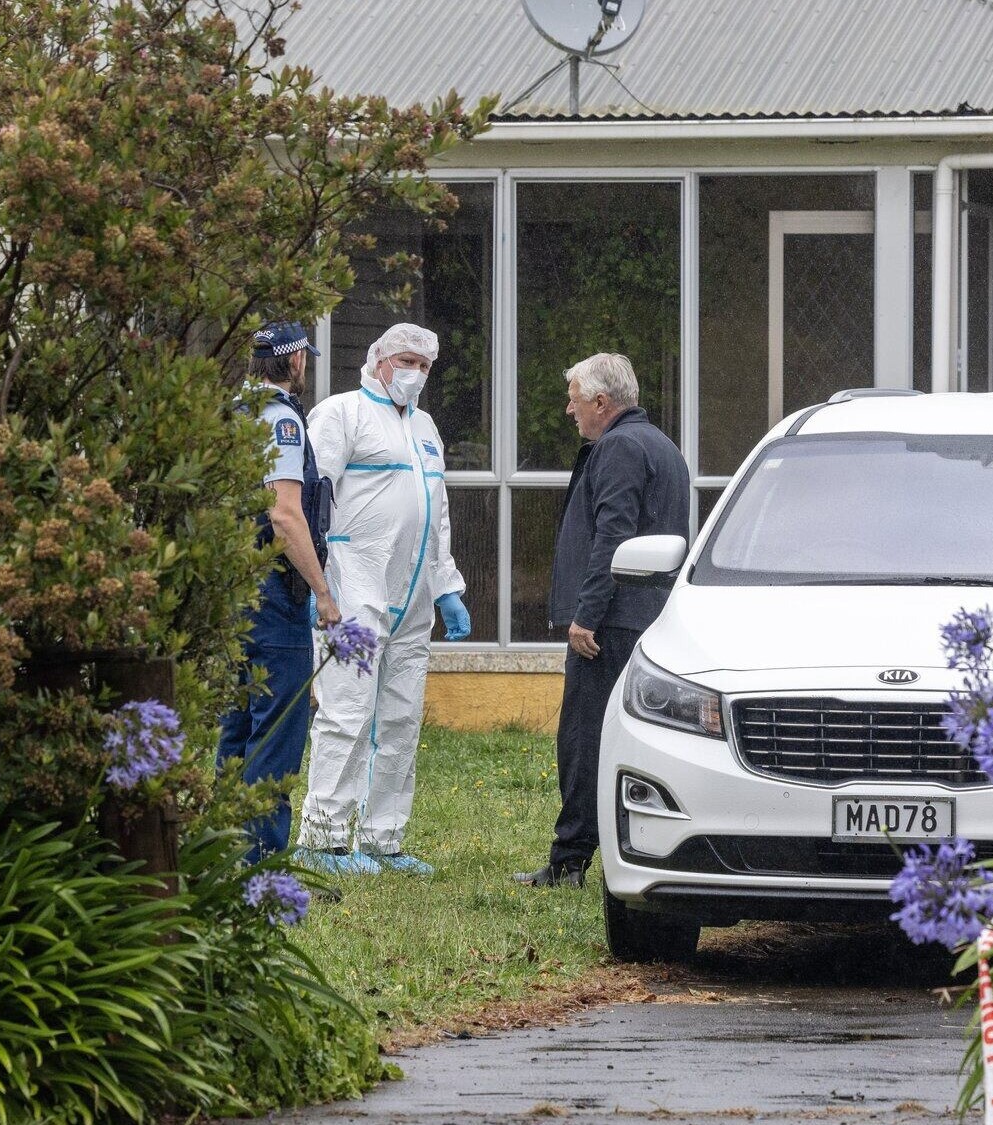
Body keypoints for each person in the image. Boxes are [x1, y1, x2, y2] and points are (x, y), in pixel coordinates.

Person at [296, 322, 471, 876]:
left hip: (413, 595)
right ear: (378, 360)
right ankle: (322, 839)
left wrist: (447, 587)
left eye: (424, 365)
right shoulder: (340, 414)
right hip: (354, 587)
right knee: (347, 710)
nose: (415, 373)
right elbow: (310, 500)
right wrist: (317, 583)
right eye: (406, 361)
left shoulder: (424, 427)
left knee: (401, 716)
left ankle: (382, 839)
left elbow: (437, 514)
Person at [514, 353, 689, 888]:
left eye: (574, 400)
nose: (569, 410)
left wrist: (585, 615)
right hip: (647, 620)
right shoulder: (663, 446)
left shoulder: (618, 447)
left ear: (600, 401)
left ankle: (570, 861)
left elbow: (614, 535)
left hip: (610, 625)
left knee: (583, 739)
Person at [218, 319, 342, 861]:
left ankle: (222, 855)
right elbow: (286, 515)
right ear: (295, 360)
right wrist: (323, 593)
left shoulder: (234, 412)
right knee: (276, 730)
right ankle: (262, 866)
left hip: (232, 591)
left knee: (237, 727)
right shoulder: (281, 420)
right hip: (273, 594)